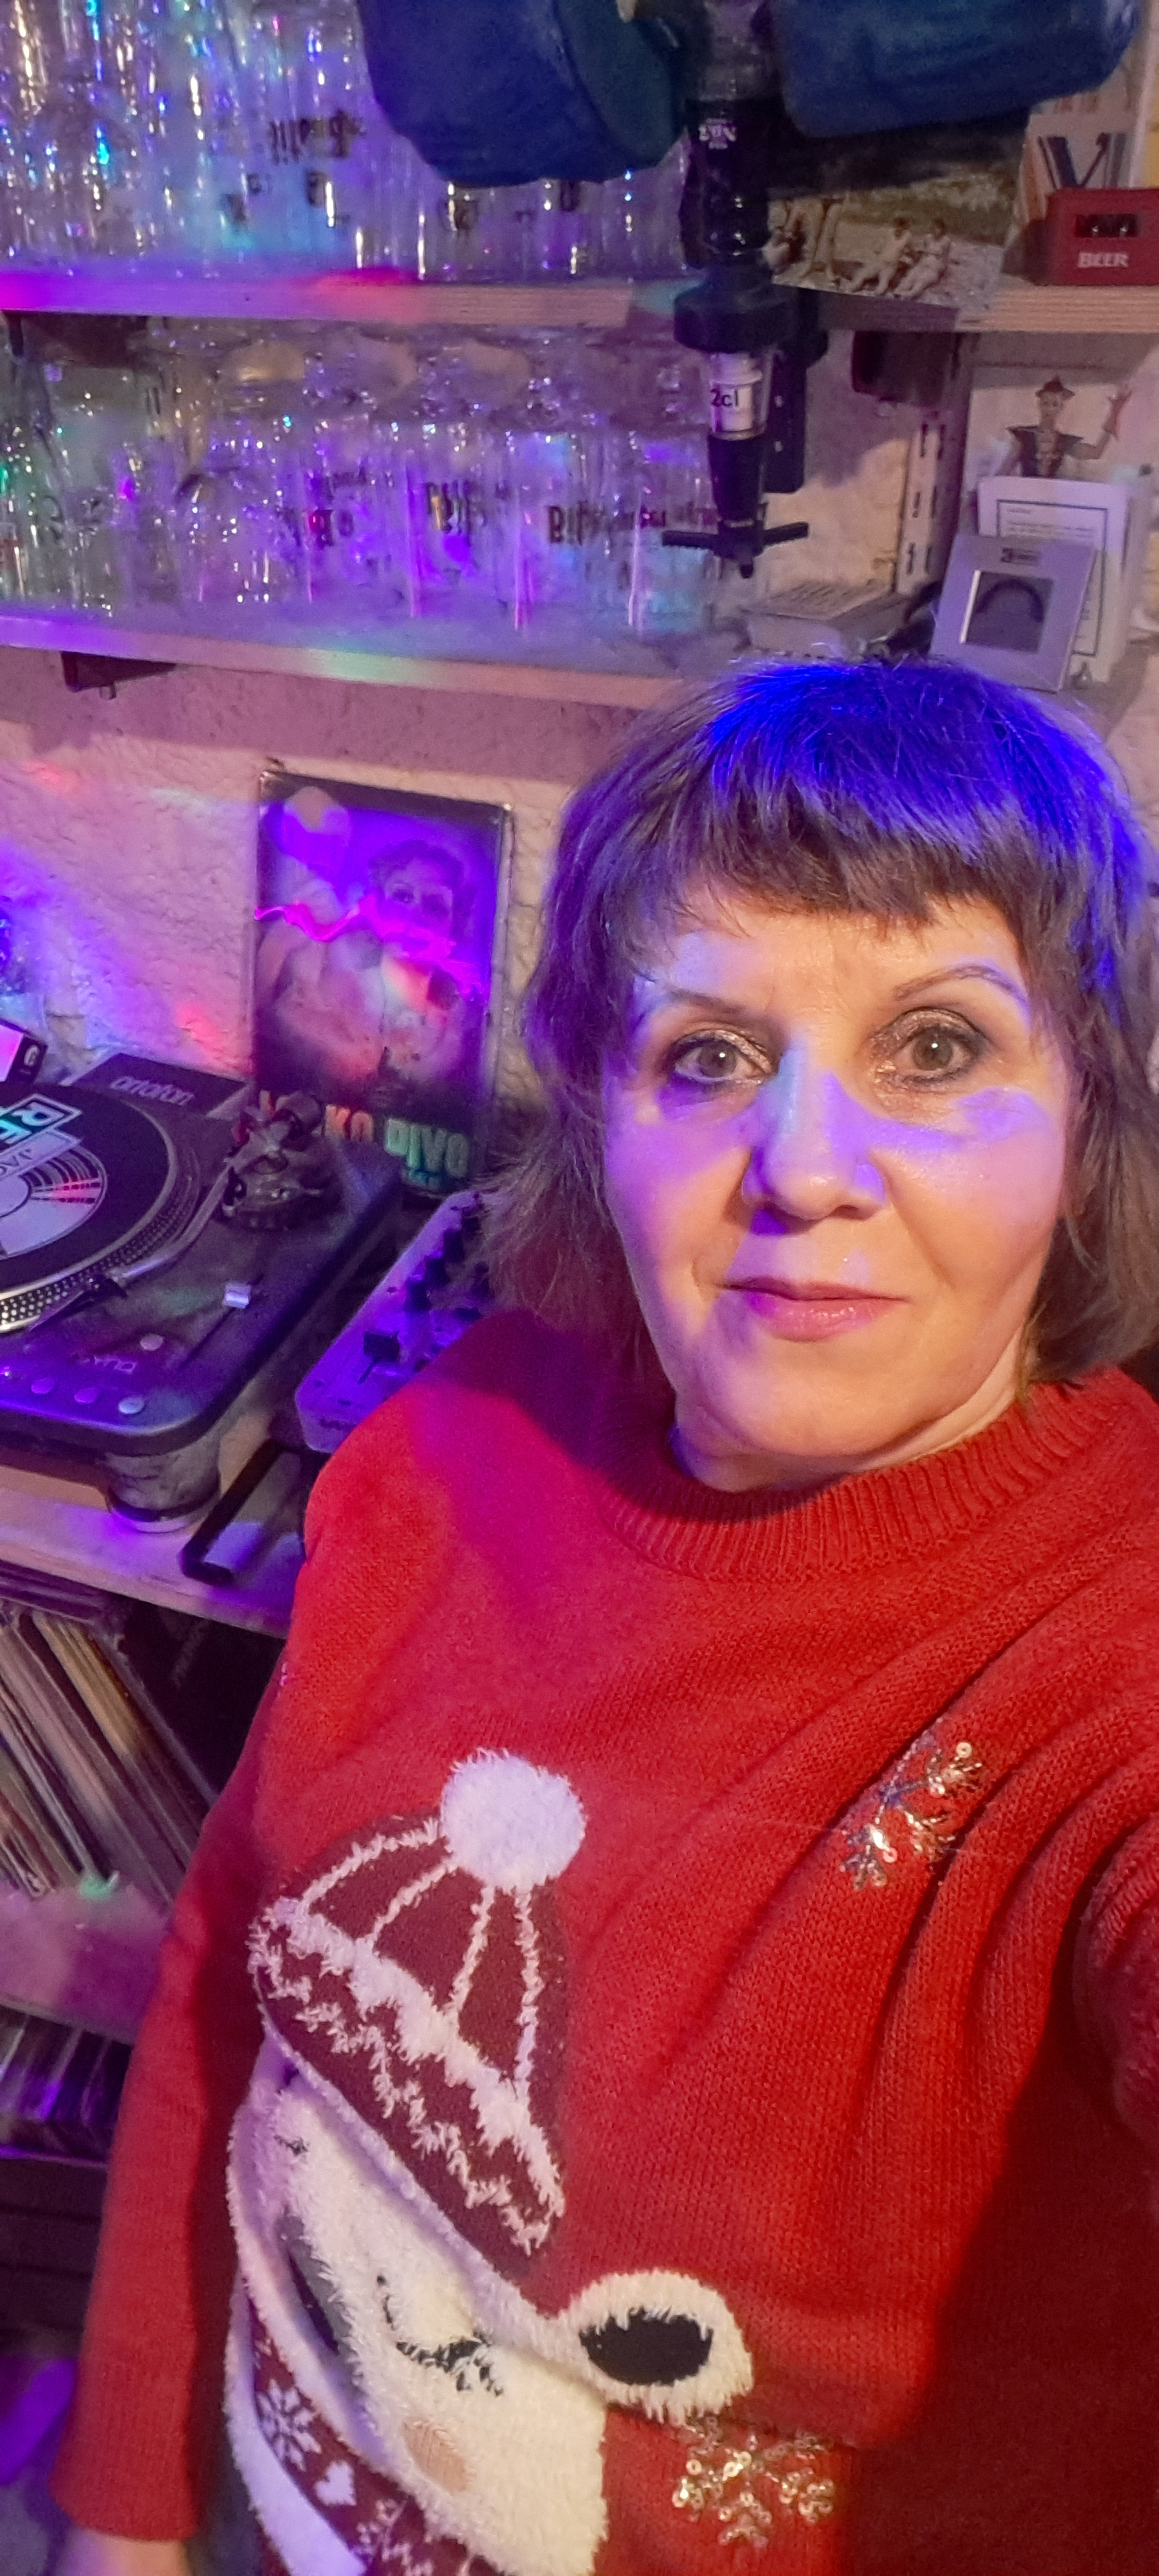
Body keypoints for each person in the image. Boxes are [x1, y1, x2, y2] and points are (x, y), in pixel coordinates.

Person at [53, 660, 1159, 2576]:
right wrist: (125, 2516)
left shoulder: (1107, 1665)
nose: (801, 1168)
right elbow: (239, 1972)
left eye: (931, 1048)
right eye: (707, 1058)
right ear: (598, 1111)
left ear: (1088, 1116)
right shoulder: (444, 1448)